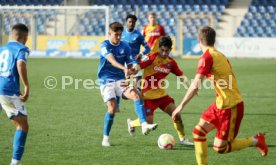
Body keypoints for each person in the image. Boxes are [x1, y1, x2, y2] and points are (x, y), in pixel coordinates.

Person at [172, 26, 268, 164]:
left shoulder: (207, 57)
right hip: (220, 103)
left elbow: (195, 85)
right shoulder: (218, 54)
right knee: (198, 132)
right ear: (214, 40)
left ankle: (255, 140)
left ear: (199, 40)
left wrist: (180, 107)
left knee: (220, 148)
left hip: (231, 106)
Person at [98, 22, 158, 147]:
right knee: (112, 109)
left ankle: (144, 124)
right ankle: (106, 138)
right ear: (110, 33)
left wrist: (131, 71)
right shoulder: (104, 45)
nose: (119, 37)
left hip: (120, 80)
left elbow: (130, 64)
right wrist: (124, 68)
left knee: (136, 94)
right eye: (116, 35)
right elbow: (112, 60)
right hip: (106, 80)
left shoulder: (125, 46)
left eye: (120, 34)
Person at [127, 36, 193, 145]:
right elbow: (139, 66)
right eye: (162, 50)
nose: (163, 53)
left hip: (162, 96)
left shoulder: (171, 63)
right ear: (159, 48)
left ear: (170, 50)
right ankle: (132, 123)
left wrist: (190, 87)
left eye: (166, 51)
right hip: (148, 96)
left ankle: (183, 139)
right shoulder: (151, 57)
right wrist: (133, 70)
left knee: (176, 114)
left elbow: (181, 76)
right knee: (149, 122)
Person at [0, 23, 30, 165]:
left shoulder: (2, 48)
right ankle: (15, 162)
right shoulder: (21, 48)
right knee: (22, 125)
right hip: (8, 90)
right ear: (25, 37)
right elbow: (20, 64)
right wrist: (26, 86)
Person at [122, 14, 151, 89]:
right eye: (130, 22)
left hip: (135, 63)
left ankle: (138, 99)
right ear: (126, 22)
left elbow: (148, 48)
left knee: (138, 86)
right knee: (124, 87)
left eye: (133, 22)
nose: (131, 24)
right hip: (124, 63)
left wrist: (141, 54)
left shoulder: (138, 35)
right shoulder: (121, 34)